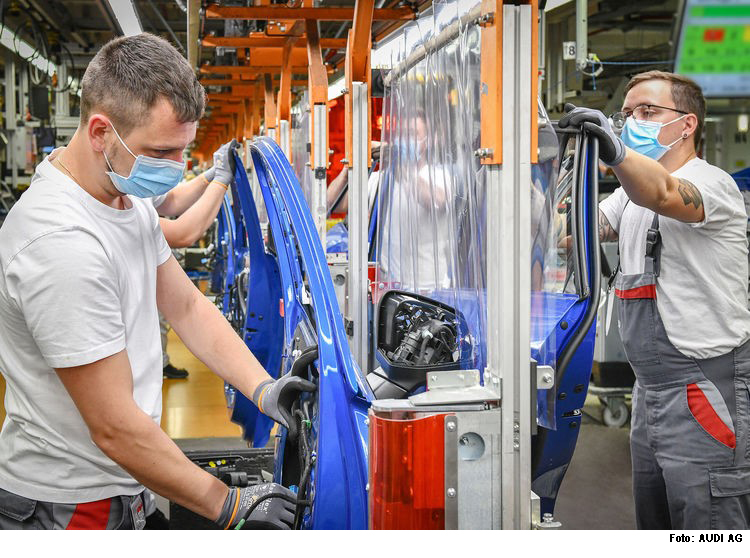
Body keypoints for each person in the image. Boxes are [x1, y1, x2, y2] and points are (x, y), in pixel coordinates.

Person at [0, 33, 314, 530]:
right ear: (101, 131)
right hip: (72, 506)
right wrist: (230, 506)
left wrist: (265, 388)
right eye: (162, 151)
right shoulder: (60, 243)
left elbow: (187, 307)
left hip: (129, 482)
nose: (175, 169)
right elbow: (114, 429)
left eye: (183, 151)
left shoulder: (123, 200)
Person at [559, 70, 750, 529]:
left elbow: (663, 192)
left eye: (647, 112)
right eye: (626, 116)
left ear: (687, 125)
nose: (632, 122)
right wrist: (563, 165)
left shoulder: (712, 183)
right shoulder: (628, 199)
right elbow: (572, 235)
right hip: (649, 391)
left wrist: (617, 151)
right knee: (657, 523)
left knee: (709, 526)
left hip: (705, 388)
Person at [47, 140, 239, 381]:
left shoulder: (125, 178)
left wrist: (208, 177)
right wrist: (221, 181)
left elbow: (171, 201)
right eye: (161, 149)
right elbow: (184, 232)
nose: (176, 161)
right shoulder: (90, 207)